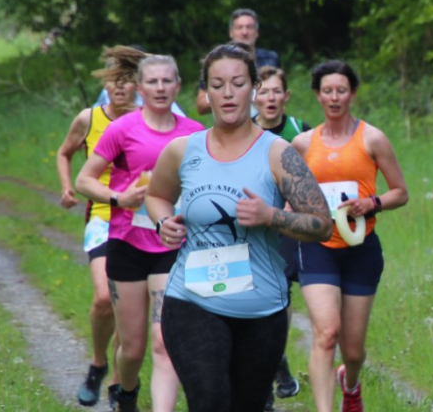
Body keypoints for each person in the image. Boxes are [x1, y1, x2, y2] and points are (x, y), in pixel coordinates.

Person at [146, 42, 334, 412]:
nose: (228, 93)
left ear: (254, 88)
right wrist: (163, 222)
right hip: (192, 299)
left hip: (261, 309)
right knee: (210, 400)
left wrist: (272, 217)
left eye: (237, 83)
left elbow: (322, 225)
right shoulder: (183, 150)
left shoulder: (278, 153)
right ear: (206, 92)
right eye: (217, 85)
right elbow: (156, 196)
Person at [76, 55, 205, 412]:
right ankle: (127, 394)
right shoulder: (123, 129)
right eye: (153, 82)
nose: (160, 88)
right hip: (127, 244)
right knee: (132, 348)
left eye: (167, 82)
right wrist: (120, 197)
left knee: (164, 341)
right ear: (141, 88)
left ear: (178, 86)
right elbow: (84, 180)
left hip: (171, 245)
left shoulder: (194, 132)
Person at [291, 60, 409, 412]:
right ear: (317, 95)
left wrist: (371, 203)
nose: (334, 97)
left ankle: (351, 383)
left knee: (353, 349)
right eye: (327, 90)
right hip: (317, 248)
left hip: (361, 248)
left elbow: (400, 192)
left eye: (341, 90)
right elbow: (288, 193)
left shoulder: (372, 138)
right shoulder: (301, 144)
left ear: (352, 94)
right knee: (326, 334)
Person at [57, 46, 146, 406]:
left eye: (127, 83)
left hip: (142, 221)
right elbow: (65, 152)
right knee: (105, 297)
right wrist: (66, 186)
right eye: (114, 83)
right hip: (103, 216)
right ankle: (97, 362)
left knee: (130, 307)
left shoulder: (148, 121)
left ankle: (114, 383)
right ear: (105, 86)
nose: (120, 89)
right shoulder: (89, 118)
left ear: (137, 87)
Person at [253, 66, 309, 408]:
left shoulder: (301, 131)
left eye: (277, 91)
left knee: (280, 298)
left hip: (293, 224)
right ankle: (275, 364)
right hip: (257, 228)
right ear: (253, 97)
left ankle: (277, 357)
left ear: (286, 96)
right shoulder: (244, 131)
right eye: (264, 92)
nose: (270, 98)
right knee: (270, 298)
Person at [195, 9, 280, 115]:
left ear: (257, 32)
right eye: (239, 27)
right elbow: (201, 106)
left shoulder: (271, 58)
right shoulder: (217, 61)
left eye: (249, 27)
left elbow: (280, 97)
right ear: (231, 32)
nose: (244, 32)